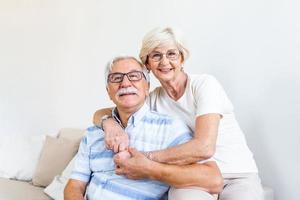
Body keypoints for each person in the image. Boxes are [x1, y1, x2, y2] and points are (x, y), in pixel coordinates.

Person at [94, 27, 264, 200]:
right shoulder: (153, 99)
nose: (164, 62)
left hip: (236, 175)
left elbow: (204, 147)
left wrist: (147, 159)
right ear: (147, 64)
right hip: (192, 176)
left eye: (171, 54)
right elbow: (107, 111)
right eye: (156, 55)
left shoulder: (204, 85)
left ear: (182, 58)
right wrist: (109, 123)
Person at [64, 56, 223, 200]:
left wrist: (150, 169)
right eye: (116, 78)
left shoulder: (170, 128)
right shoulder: (94, 133)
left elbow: (213, 179)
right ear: (108, 92)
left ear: (147, 87)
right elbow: (75, 185)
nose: (125, 83)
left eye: (134, 76)